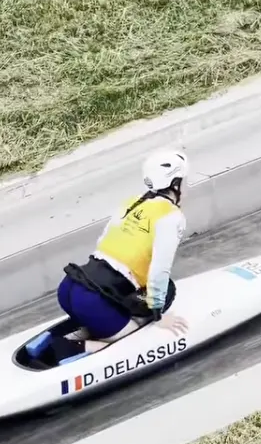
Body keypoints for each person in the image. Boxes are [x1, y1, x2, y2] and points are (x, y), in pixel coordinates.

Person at [53, 149, 189, 359]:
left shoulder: (132, 202)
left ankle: (87, 332)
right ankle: (66, 348)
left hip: (71, 286)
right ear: (175, 184)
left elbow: (102, 243)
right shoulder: (172, 216)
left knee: (117, 312)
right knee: (134, 335)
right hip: (93, 299)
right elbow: (160, 270)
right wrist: (158, 316)